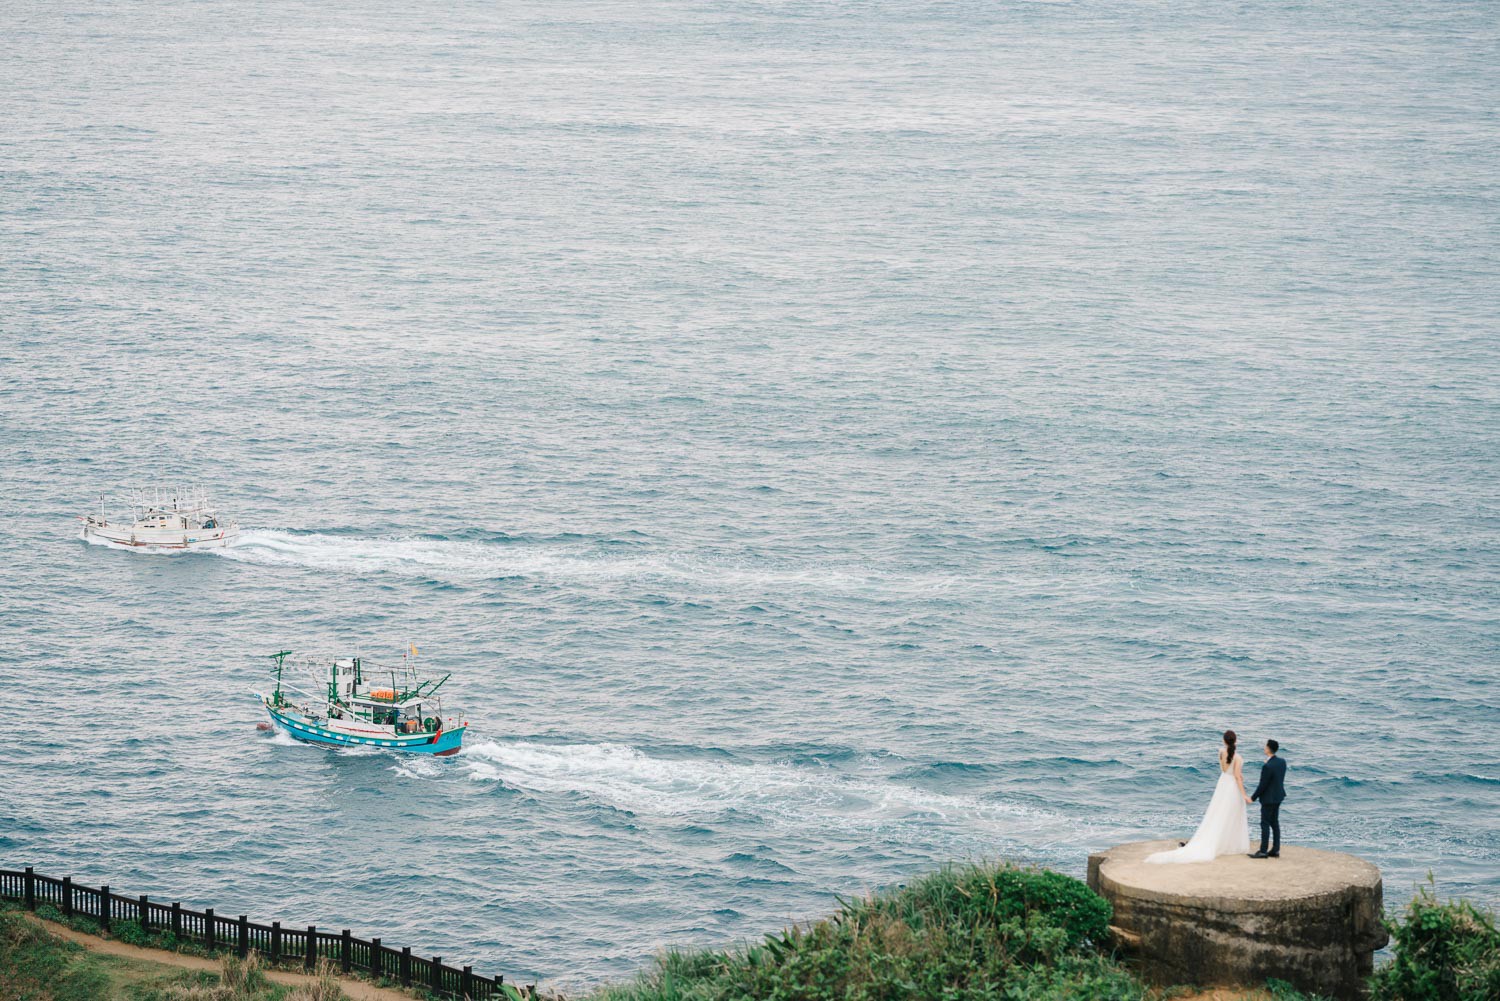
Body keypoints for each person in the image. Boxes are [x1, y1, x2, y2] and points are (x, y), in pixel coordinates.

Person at [1146, 730, 1251, 864]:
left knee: (1218, 813)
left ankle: (1217, 840)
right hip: (1232, 787)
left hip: (1223, 783)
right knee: (1231, 814)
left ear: (1224, 741)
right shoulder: (1238, 758)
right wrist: (1244, 795)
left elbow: (1226, 770)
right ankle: (1228, 842)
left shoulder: (1221, 752)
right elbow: (1237, 777)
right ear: (1235, 741)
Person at [1248, 739, 1287, 858]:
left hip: (1268, 799)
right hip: (1278, 796)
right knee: (1274, 822)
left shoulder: (1267, 766)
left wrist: (1252, 798)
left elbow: (1262, 785)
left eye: (1265, 746)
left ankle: (1263, 851)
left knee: (1264, 823)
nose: (1264, 747)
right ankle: (1275, 849)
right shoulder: (1282, 762)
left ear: (1268, 748)